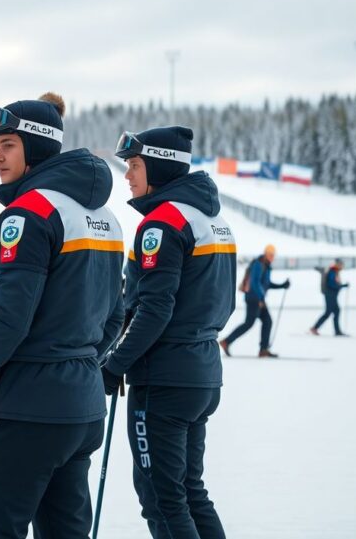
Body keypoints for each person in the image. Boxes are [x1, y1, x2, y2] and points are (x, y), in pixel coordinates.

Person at [0, 95, 125, 538]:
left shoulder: (26, 213)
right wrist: (74, 359)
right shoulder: (105, 217)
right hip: (80, 410)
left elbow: (9, 322)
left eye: (8, 145)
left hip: (25, 412)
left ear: (37, 148)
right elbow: (112, 316)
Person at [103, 126, 236, 539]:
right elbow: (225, 304)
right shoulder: (214, 218)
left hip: (163, 378)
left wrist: (115, 364)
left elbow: (156, 307)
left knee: (162, 498)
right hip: (202, 371)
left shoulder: (161, 224)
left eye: (135, 165)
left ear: (158, 166)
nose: (127, 175)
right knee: (189, 491)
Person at [219, 244, 290, 358]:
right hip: (254, 298)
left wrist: (282, 285)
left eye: (273, 255)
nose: (272, 257)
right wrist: (261, 298)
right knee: (249, 323)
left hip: (258, 298)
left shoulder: (265, 265)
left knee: (267, 321)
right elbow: (254, 283)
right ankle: (226, 341)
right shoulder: (259, 264)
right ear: (266, 254)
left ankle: (263, 349)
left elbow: (266, 284)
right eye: (270, 254)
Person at [310, 258, 349, 336]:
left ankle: (317, 328)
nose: (342, 266)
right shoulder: (332, 271)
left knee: (333, 311)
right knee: (331, 311)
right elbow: (332, 284)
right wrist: (342, 286)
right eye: (341, 265)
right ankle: (316, 328)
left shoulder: (334, 271)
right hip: (330, 294)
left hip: (331, 294)